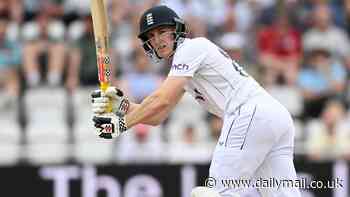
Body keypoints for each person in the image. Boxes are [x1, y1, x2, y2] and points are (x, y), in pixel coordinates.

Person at [91, 5, 301, 197]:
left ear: (177, 30)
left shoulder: (191, 49)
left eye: (162, 31)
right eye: (152, 35)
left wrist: (119, 125)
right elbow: (158, 116)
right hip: (274, 117)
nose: (158, 39)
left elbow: (161, 100)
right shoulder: (185, 67)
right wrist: (120, 106)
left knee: (218, 193)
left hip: (249, 114)